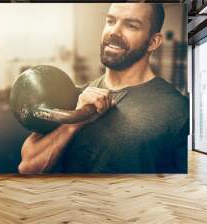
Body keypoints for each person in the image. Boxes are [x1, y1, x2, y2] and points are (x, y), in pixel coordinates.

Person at [18, 3, 189, 174]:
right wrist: (74, 122)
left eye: (131, 25)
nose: (114, 31)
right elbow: (28, 167)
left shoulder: (177, 110)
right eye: (110, 21)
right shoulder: (75, 96)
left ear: (153, 42)